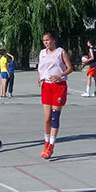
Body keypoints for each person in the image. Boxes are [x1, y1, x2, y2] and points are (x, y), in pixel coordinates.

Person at [37, 30, 73, 159]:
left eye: (48, 40)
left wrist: (60, 75)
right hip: (46, 86)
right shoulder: (42, 53)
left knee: (54, 117)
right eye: (44, 40)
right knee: (46, 118)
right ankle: (46, 143)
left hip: (59, 86)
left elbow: (70, 68)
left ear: (53, 40)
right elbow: (41, 69)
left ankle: (51, 145)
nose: (46, 42)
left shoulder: (61, 52)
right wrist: (40, 78)